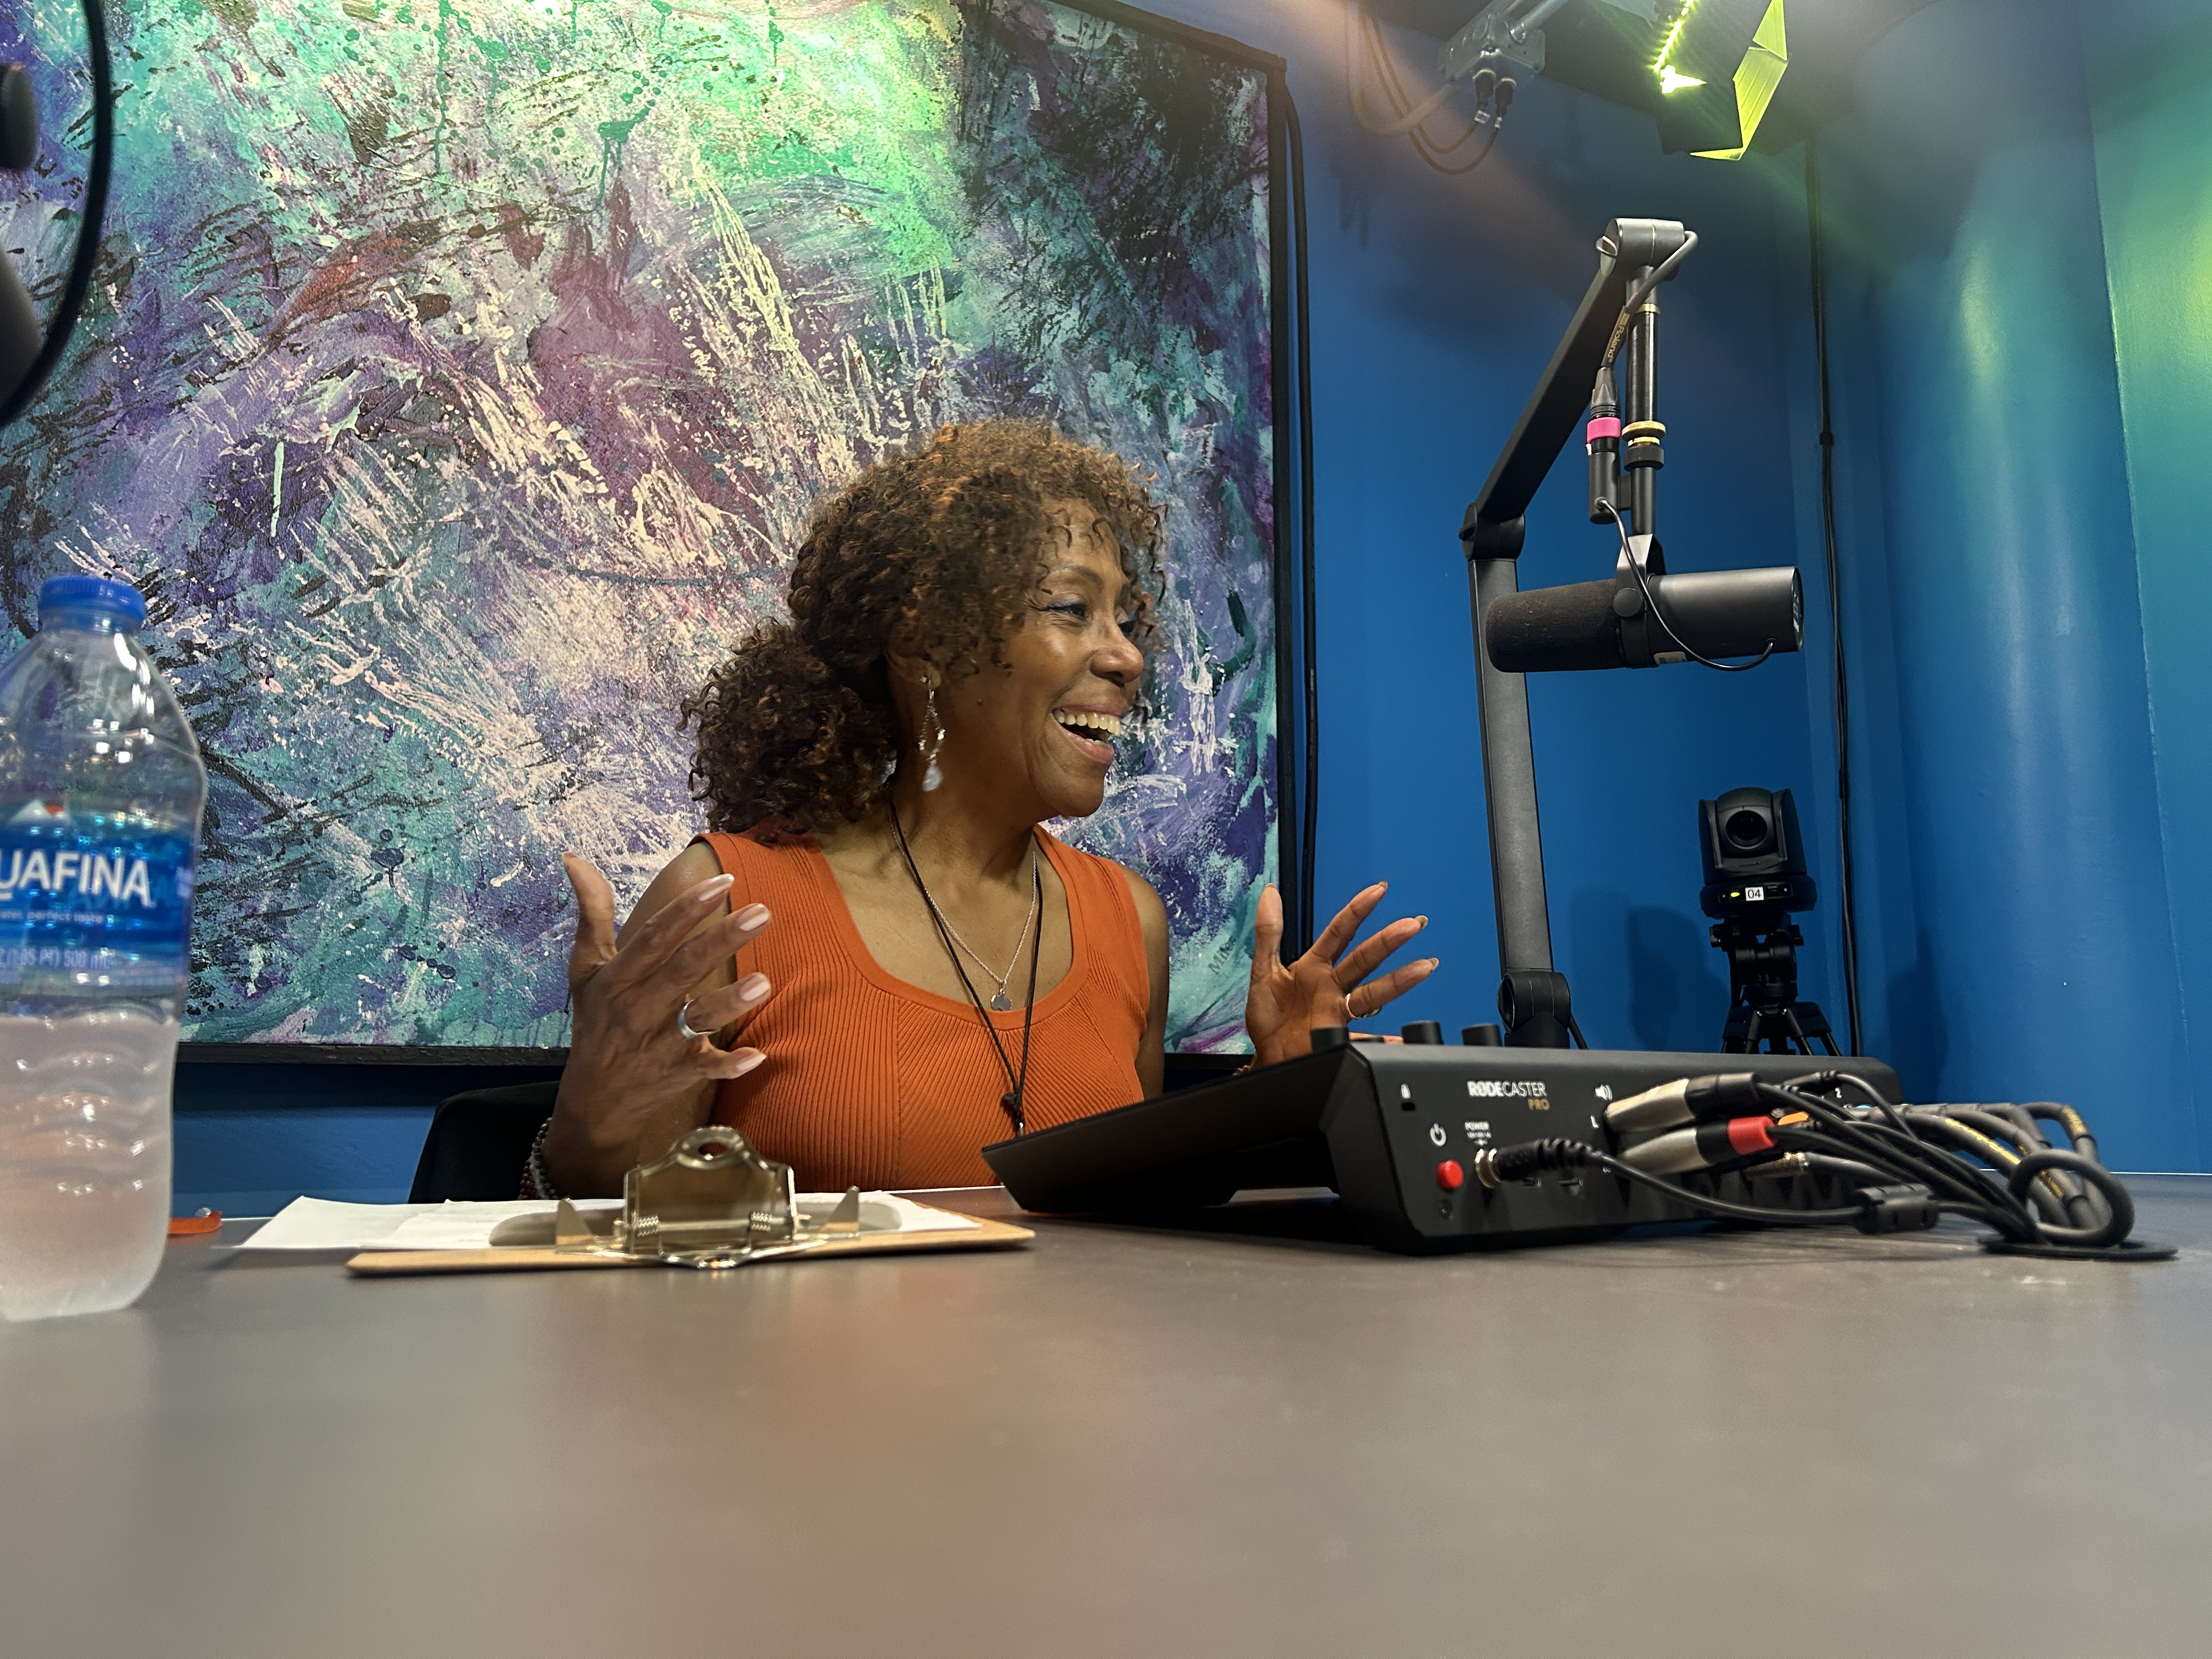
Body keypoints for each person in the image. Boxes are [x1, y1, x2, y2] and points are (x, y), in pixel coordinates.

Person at [532, 422, 1436, 1197]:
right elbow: (610, 1276)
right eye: (1072, 609)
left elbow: (1129, 1253)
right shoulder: (729, 902)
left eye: (1126, 617)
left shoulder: (1130, 921)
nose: (1126, 658)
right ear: (922, 636)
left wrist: (1273, 1103)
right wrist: (591, 1121)